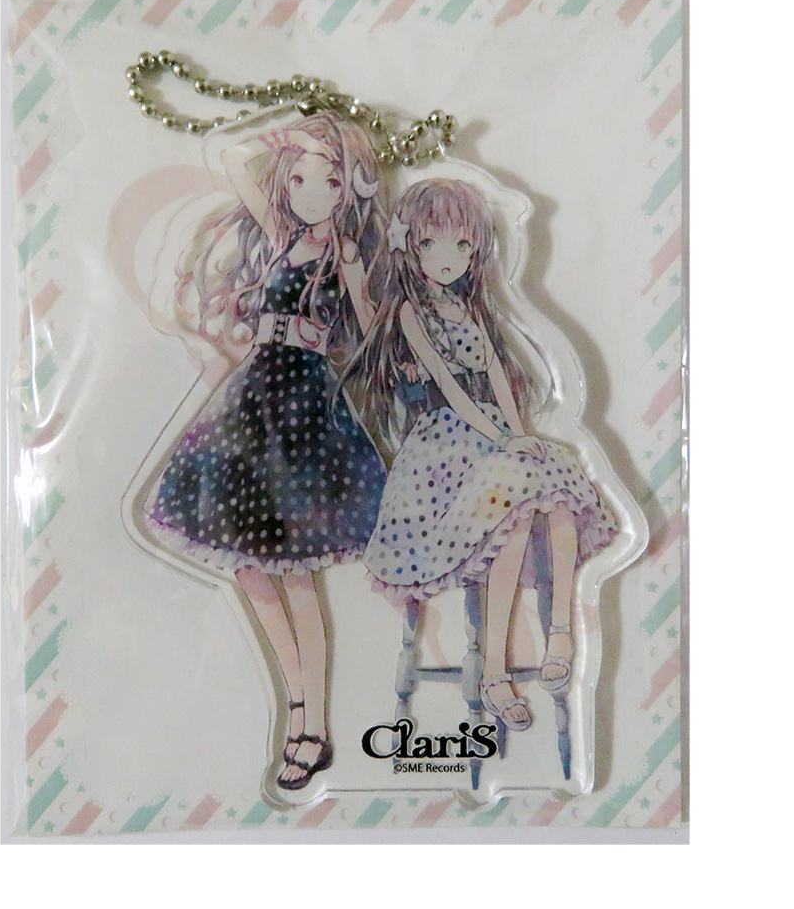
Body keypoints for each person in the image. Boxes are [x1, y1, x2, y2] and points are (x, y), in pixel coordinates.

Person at [145, 113, 387, 788]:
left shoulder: (347, 254)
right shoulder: (281, 235)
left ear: (352, 187)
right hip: (255, 394)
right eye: (300, 178)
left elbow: (374, 332)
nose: (312, 192)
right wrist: (296, 127)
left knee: (295, 570)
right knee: (250, 568)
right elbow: (230, 156)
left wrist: (342, 334)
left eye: (330, 180)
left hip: (306, 404)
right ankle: (300, 703)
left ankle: (314, 725)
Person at [352, 178, 617, 730]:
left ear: (476, 249)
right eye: (431, 244)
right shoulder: (411, 313)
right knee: (512, 521)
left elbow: (495, 372)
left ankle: (560, 635)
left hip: (493, 434)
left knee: (560, 494)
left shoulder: (471, 309)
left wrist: (517, 432)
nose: (446, 258)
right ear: (410, 246)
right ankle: (494, 674)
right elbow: (450, 387)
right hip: (443, 455)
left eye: (461, 245)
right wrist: (502, 437)